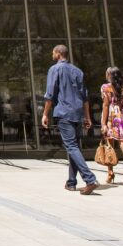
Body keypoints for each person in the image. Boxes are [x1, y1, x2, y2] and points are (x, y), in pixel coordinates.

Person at [42, 44, 98, 195]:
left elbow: (50, 95)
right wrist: (87, 116)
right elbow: (85, 97)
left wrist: (45, 114)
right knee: (74, 147)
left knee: (71, 147)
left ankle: (90, 179)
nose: (51, 55)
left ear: (59, 54)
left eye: (53, 52)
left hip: (64, 112)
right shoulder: (78, 71)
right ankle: (71, 182)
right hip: (77, 113)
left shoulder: (55, 69)